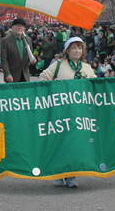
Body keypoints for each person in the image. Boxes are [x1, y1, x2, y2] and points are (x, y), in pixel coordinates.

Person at [39, 37, 96, 188]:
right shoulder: (58, 65)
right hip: (61, 112)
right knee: (60, 142)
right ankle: (58, 173)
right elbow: (43, 78)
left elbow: (95, 85)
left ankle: (72, 175)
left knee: (75, 143)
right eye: (74, 48)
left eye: (80, 48)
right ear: (67, 50)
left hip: (79, 113)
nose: (77, 51)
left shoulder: (86, 68)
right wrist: (54, 84)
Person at [0, 18, 36, 83]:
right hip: (12, 76)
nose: (20, 27)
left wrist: (32, 60)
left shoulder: (28, 40)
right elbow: (3, 60)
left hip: (25, 76)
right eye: (18, 25)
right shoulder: (6, 41)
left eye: (22, 26)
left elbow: (30, 55)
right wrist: (7, 74)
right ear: (13, 27)